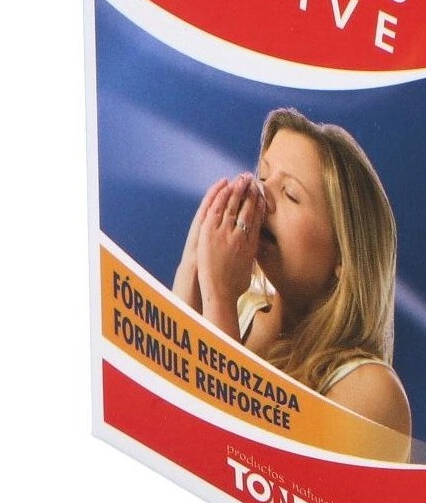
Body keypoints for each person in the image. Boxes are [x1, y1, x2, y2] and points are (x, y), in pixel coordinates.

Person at [173, 108, 410, 445]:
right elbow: (173, 423)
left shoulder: (371, 390)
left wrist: (219, 298)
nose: (260, 194)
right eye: (263, 176)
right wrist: (192, 270)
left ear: (344, 255)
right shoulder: (243, 312)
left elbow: (233, 457)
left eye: (290, 194)